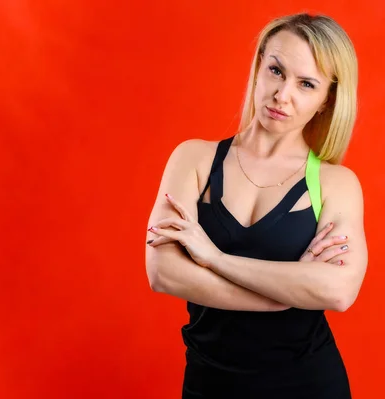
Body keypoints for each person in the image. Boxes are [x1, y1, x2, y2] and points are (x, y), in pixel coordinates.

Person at [144, 12, 368, 399]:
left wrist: (213, 258)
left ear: (325, 100)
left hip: (308, 385)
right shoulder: (193, 159)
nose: (283, 95)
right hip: (208, 383)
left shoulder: (336, 184)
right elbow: (163, 272)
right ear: (258, 67)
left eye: (307, 84)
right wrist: (285, 293)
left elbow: (338, 291)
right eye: (277, 71)